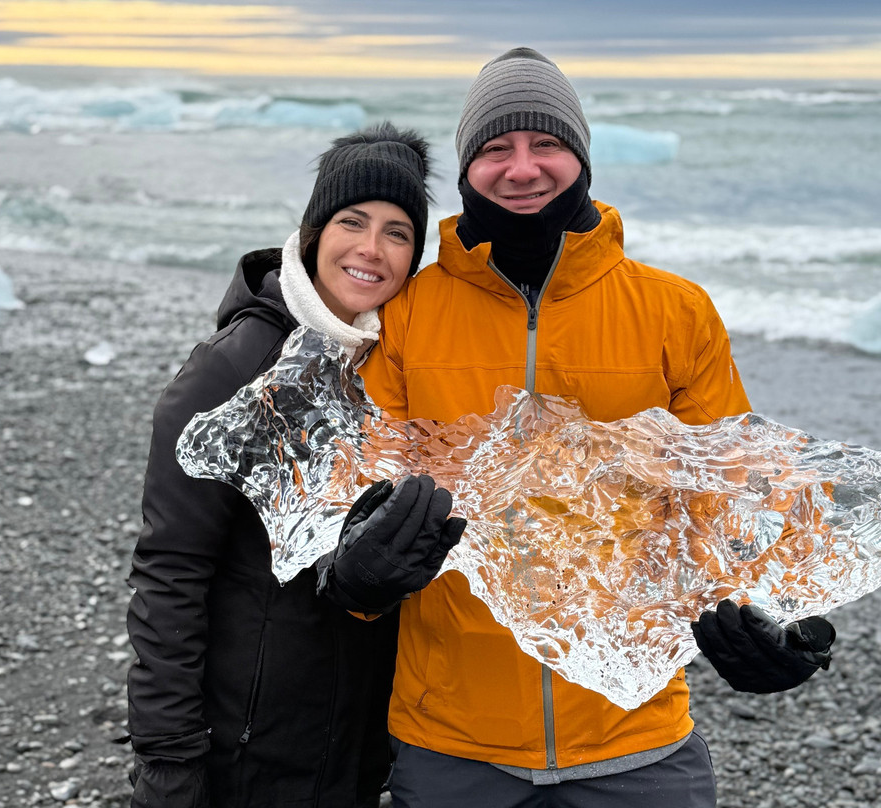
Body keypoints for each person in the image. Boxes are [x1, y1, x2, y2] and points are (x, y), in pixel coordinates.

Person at [358, 49, 837, 807]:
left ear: (580, 156)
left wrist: (783, 623)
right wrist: (354, 579)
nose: (522, 169)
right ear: (466, 167)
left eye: (545, 143)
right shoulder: (406, 314)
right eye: (495, 149)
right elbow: (353, 500)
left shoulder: (675, 311)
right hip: (452, 739)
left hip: (636, 737)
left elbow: (734, 493)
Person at [125, 122, 464, 808]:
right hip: (247, 741)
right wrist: (168, 761)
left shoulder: (388, 368)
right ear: (314, 231)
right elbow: (170, 572)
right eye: (353, 221)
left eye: (399, 233)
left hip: (352, 737)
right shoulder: (238, 367)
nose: (372, 249)